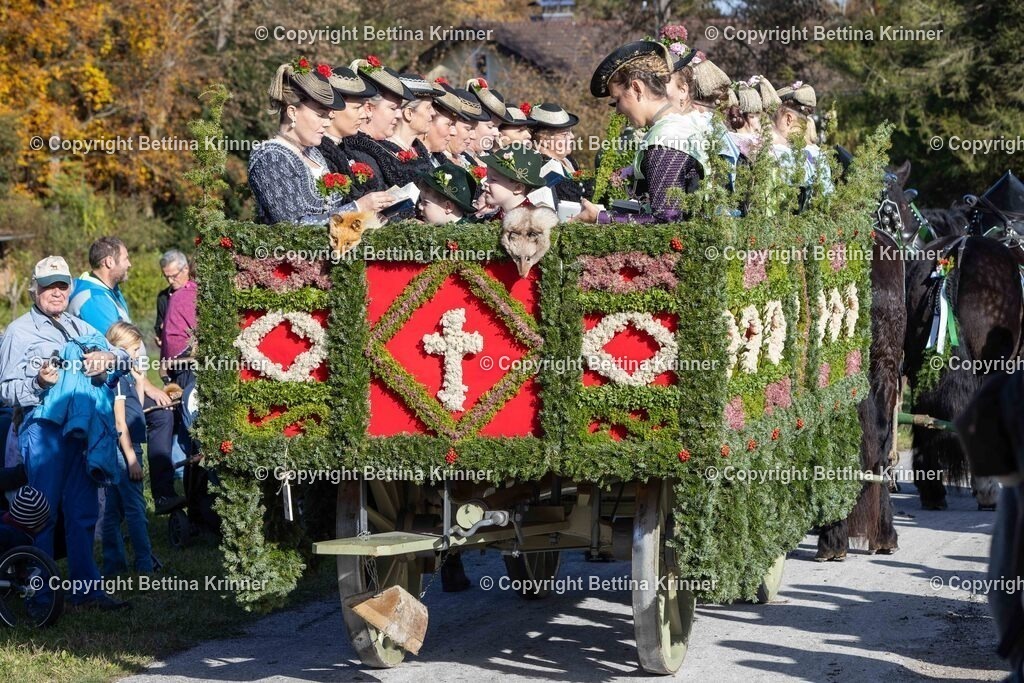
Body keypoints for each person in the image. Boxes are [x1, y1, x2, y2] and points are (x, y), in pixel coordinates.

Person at [0, 256, 132, 609]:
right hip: (42, 431)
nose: (56, 292)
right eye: (48, 286)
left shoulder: (80, 327)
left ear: (70, 288)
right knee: (40, 515)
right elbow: (6, 390)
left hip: (82, 434)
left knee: (83, 512)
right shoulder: (18, 331)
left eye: (62, 285)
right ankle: (40, 595)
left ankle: (86, 590)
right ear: (35, 289)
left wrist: (110, 358)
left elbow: (125, 355)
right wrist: (37, 382)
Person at [69, 238, 183, 514]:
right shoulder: (92, 299)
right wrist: (147, 387)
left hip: (127, 381)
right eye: (126, 258)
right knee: (160, 414)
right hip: (110, 389)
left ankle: (150, 492)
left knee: (164, 411)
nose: (130, 263)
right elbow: (118, 351)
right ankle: (158, 493)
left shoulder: (109, 291)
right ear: (109, 262)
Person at [248, 59, 394, 225]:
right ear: (292, 112)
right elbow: (292, 227)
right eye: (320, 115)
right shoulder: (271, 157)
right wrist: (357, 208)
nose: (327, 122)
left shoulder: (314, 154)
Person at [577, 41, 706, 224]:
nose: (618, 111)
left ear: (637, 88)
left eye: (618, 99)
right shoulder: (686, 124)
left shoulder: (666, 138)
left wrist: (601, 217)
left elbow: (666, 220)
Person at [102, 322, 153, 576]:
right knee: (135, 509)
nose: (137, 354)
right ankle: (145, 563)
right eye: (133, 349)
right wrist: (132, 459)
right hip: (126, 449)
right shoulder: (116, 379)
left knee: (114, 509)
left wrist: (140, 380)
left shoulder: (127, 376)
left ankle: (114, 564)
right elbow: (120, 422)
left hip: (128, 446)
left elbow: (137, 411)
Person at [316, 66, 393, 205]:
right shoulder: (319, 152)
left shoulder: (345, 149)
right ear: (333, 109)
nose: (363, 115)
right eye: (357, 108)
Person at [773, 81, 834, 204]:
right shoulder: (818, 156)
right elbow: (828, 200)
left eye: (774, 119)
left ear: (788, 119)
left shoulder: (777, 153)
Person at [373, 73, 439, 187]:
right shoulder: (384, 152)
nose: (433, 113)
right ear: (409, 113)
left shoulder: (419, 150)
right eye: (428, 107)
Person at [529, 102, 592, 203]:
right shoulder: (543, 167)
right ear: (544, 140)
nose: (572, 137)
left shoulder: (569, 161)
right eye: (565, 134)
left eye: (571, 132)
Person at [481, 147, 551, 218]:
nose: (485, 183)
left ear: (518, 188)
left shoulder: (529, 223)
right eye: (487, 177)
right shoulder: (500, 215)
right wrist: (479, 212)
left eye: (493, 179)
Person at [416, 163, 484, 224]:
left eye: (425, 202)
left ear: (448, 207)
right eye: (420, 200)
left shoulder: (457, 237)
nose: (420, 206)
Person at [423, 80, 464, 167]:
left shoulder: (438, 159)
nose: (454, 132)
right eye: (449, 124)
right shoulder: (413, 162)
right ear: (429, 120)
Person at [0, 485, 49, 553]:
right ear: (31, 525)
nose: (45, 524)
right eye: (42, 522)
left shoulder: (4, 517)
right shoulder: (19, 539)